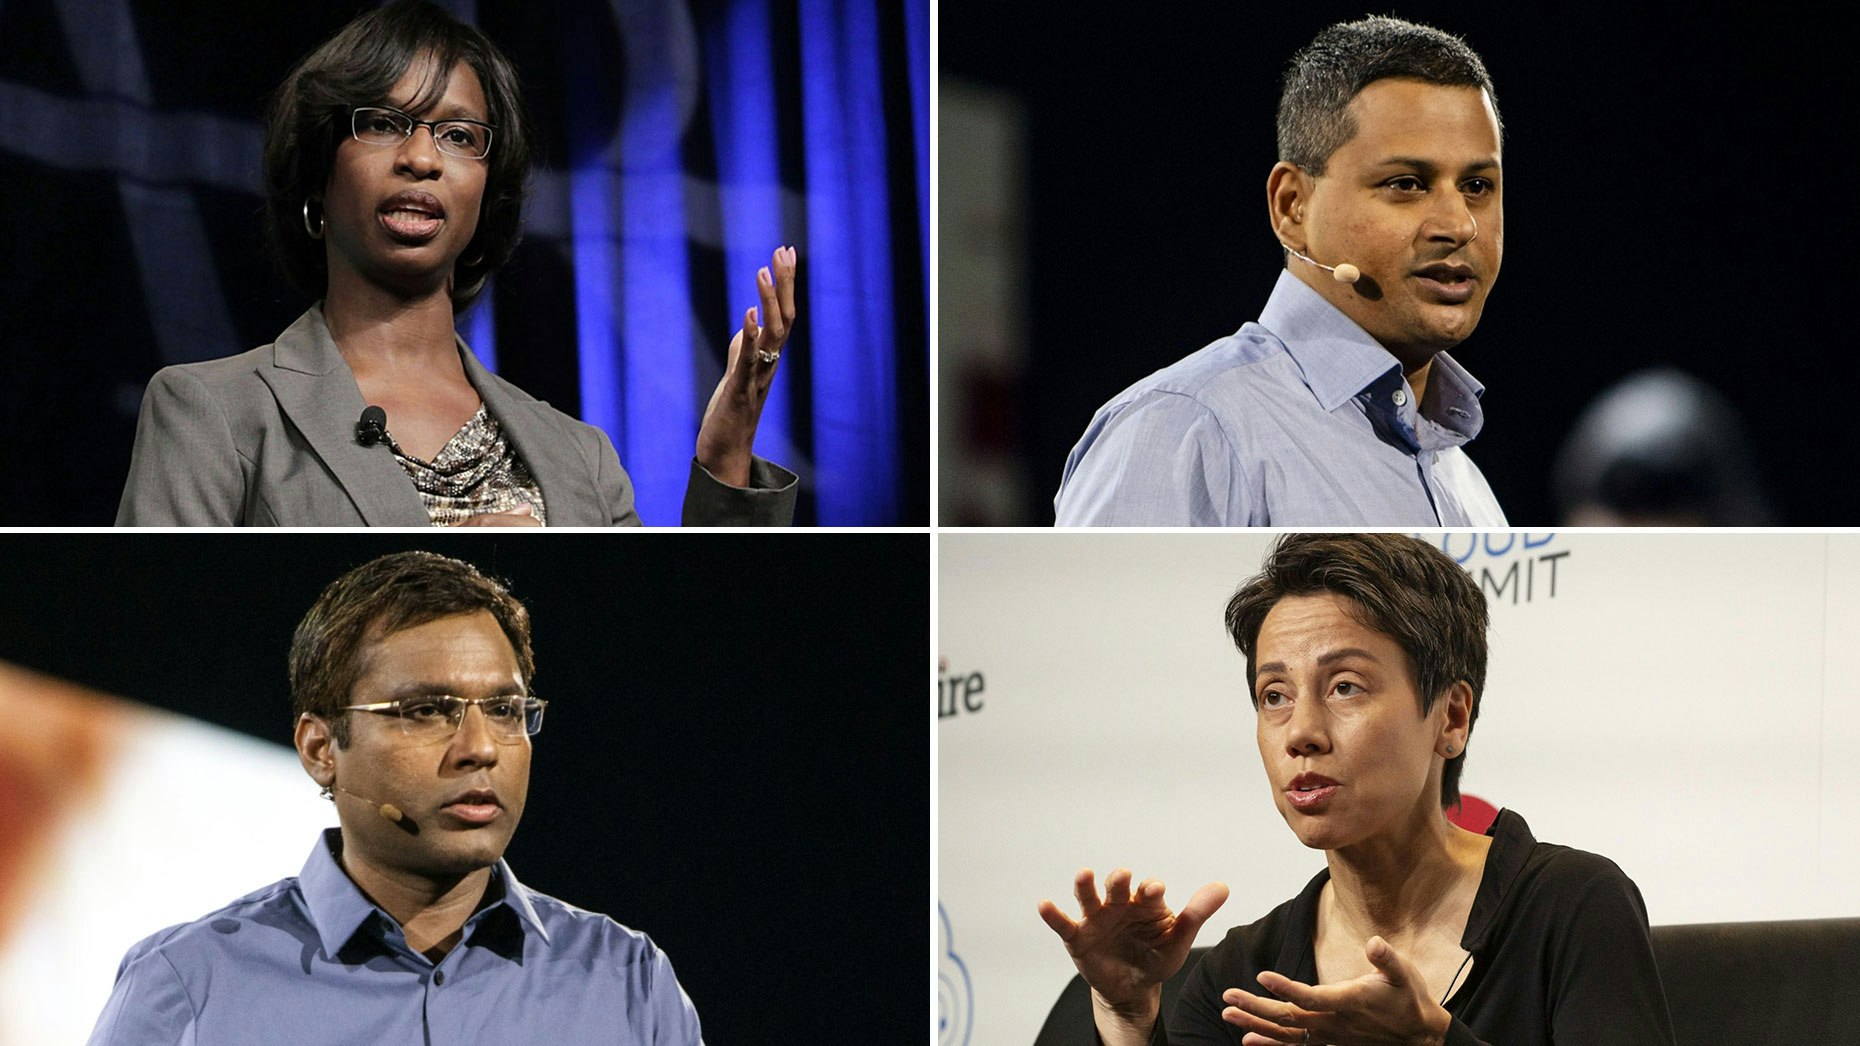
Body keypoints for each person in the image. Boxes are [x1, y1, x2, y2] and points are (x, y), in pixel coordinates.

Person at [116, 0, 797, 526]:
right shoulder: (211, 412)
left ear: (485, 196)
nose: (421, 157)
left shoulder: (581, 458)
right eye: (381, 123)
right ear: (318, 179)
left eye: (459, 135)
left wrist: (725, 458)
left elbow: (660, 641)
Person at [1038, 534, 1674, 1044]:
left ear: (1450, 718)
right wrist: (1126, 1016)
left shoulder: (1571, 907)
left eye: (1345, 686)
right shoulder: (1243, 976)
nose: (1302, 733)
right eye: (1274, 696)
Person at [85, 550, 703, 1043]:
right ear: (321, 748)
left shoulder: (628, 982)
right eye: (427, 710)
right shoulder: (189, 985)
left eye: (506, 710)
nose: (480, 747)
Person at [1054, 16, 1508, 526]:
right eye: (1406, 183)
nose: (1459, 224)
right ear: (1292, 207)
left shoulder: (1467, 486)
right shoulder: (1187, 429)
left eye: (1477, 186)